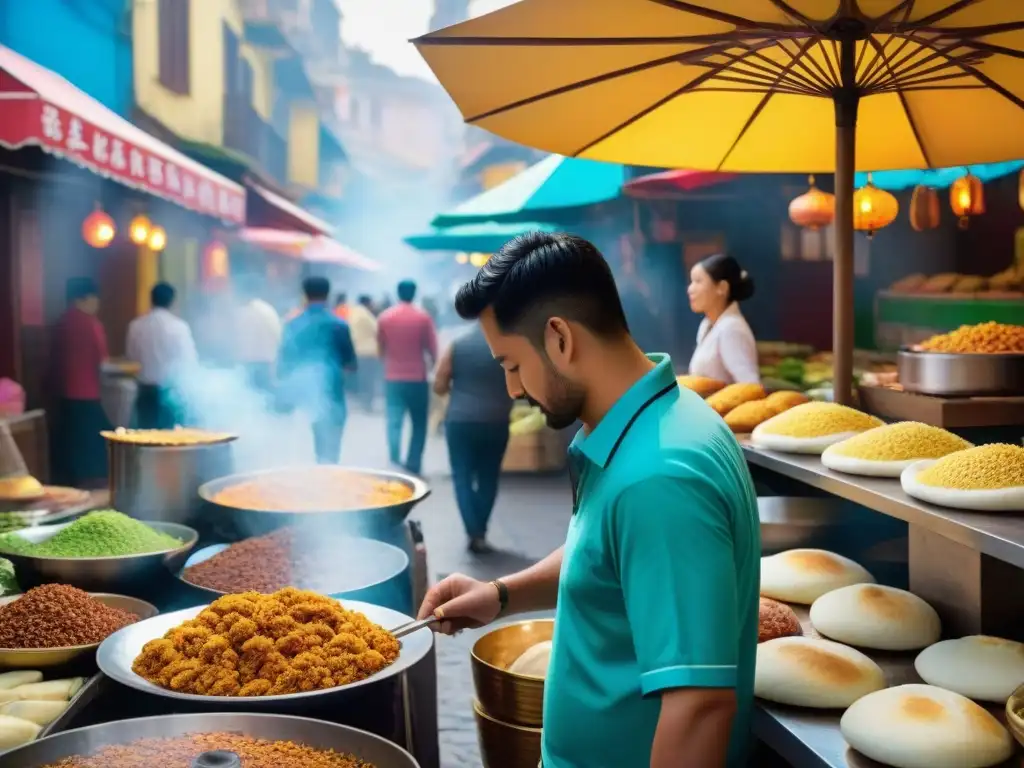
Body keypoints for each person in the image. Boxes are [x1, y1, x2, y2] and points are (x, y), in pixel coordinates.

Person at [417, 232, 759, 768]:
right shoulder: (655, 422)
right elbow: (607, 558)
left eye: (511, 364)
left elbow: (699, 707)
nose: (512, 389)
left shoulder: (659, 477)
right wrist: (500, 594)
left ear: (559, 339)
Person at [434, 325, 512, 554]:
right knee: (489, 476)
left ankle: (473, 531)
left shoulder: (457, 343)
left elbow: (439, 384)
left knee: (462, 476)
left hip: (460, 420)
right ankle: (480, 531)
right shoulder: (508, 344)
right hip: (497, 420)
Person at [277, 276, 357, 464]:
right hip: (332, 387)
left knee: (313, 433)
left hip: (303, 389)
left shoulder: (292, 324)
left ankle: (318, 471)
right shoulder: (339, 324)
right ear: (328, 294)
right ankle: (328, 472)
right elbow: (350, 363)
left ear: (304, 294)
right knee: (331, 441)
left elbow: (284, 362)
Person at [50, 278, 111, 486]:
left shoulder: (60, 323)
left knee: (69, 443)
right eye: (96, 299)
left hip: (62, 393)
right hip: (87, 393)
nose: (97, 305)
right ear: (85, 298)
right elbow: (102, 362)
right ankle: (91, 488)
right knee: (91, 446)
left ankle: (71, 483)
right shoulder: (91, 324)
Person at [377, 279, 437, 475]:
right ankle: (414, 463)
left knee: (394, 420)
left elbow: (380, 349)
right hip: (417, 378)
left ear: (398, 293)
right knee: (419, 423)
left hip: (393, 378)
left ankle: (395, 460)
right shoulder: (423, 317)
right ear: (414, 293)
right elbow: (433, 350)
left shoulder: (385, 318)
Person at [126, 282, 198, 429]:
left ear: (151, 299)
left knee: (145, 438)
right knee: (169, 441)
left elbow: (131, 357)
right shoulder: (179, 327)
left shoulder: (136, 326)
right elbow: (190, 361)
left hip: (145, 391)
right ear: (173, 301)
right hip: (171, 393)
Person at [687, 253, 760, 384]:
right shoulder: (707, 325)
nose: (690, 289)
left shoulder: (732, 329)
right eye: (691, 282)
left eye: (698, 281)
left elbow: (750, 385)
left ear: (722, 288)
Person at [234, 277, 282, 393]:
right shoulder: (268, 311)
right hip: (266, 364)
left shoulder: (239, 313)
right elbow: (278, 337)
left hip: (246, 365)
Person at [348, 294, 380, 411]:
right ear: (367, 303)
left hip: (358, 350)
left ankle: (364, 402)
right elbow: (377, 329)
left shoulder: (353, 313)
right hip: (368, 352)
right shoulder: (365, 315)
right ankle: (367, 404)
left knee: (363, 379)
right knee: (369, 380)